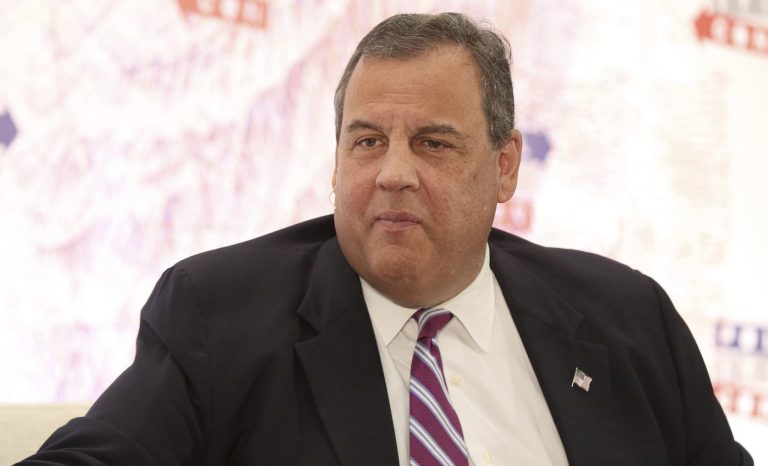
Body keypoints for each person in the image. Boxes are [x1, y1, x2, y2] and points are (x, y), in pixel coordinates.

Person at [20, 12, 752, 466]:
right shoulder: (222, 318)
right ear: (337, 160)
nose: (393, 174)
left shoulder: (627, 319)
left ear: (504, 167)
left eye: (433, 144)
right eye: (368, 141)